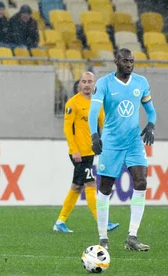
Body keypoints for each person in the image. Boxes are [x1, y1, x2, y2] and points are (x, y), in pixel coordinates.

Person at [88, 48, 157, 251]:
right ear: (116, 61)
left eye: (132, 61)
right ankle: (103, 238)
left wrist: (151, 124)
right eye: (125, 61)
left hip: (134, 141)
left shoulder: (141, 82)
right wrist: (94, 135)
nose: (129, 64)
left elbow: (151, 110)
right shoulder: (104, 84)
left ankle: (132, 237)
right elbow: (93, 113)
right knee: (106, 188)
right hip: (111, 142)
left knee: (141, 181)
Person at [53, 72, 120, 234]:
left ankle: (60, 222)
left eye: (90, 81)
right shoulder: (73, 103)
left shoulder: (98, 103)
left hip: (89, 152)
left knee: (76, 187)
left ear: (94, 84)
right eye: (84, 81)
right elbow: (67, 129)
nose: (87, 84)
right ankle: (102, 222)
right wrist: (74, 150)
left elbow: (105, 123)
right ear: (79, 85)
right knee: (90, 184)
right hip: (78, 154)